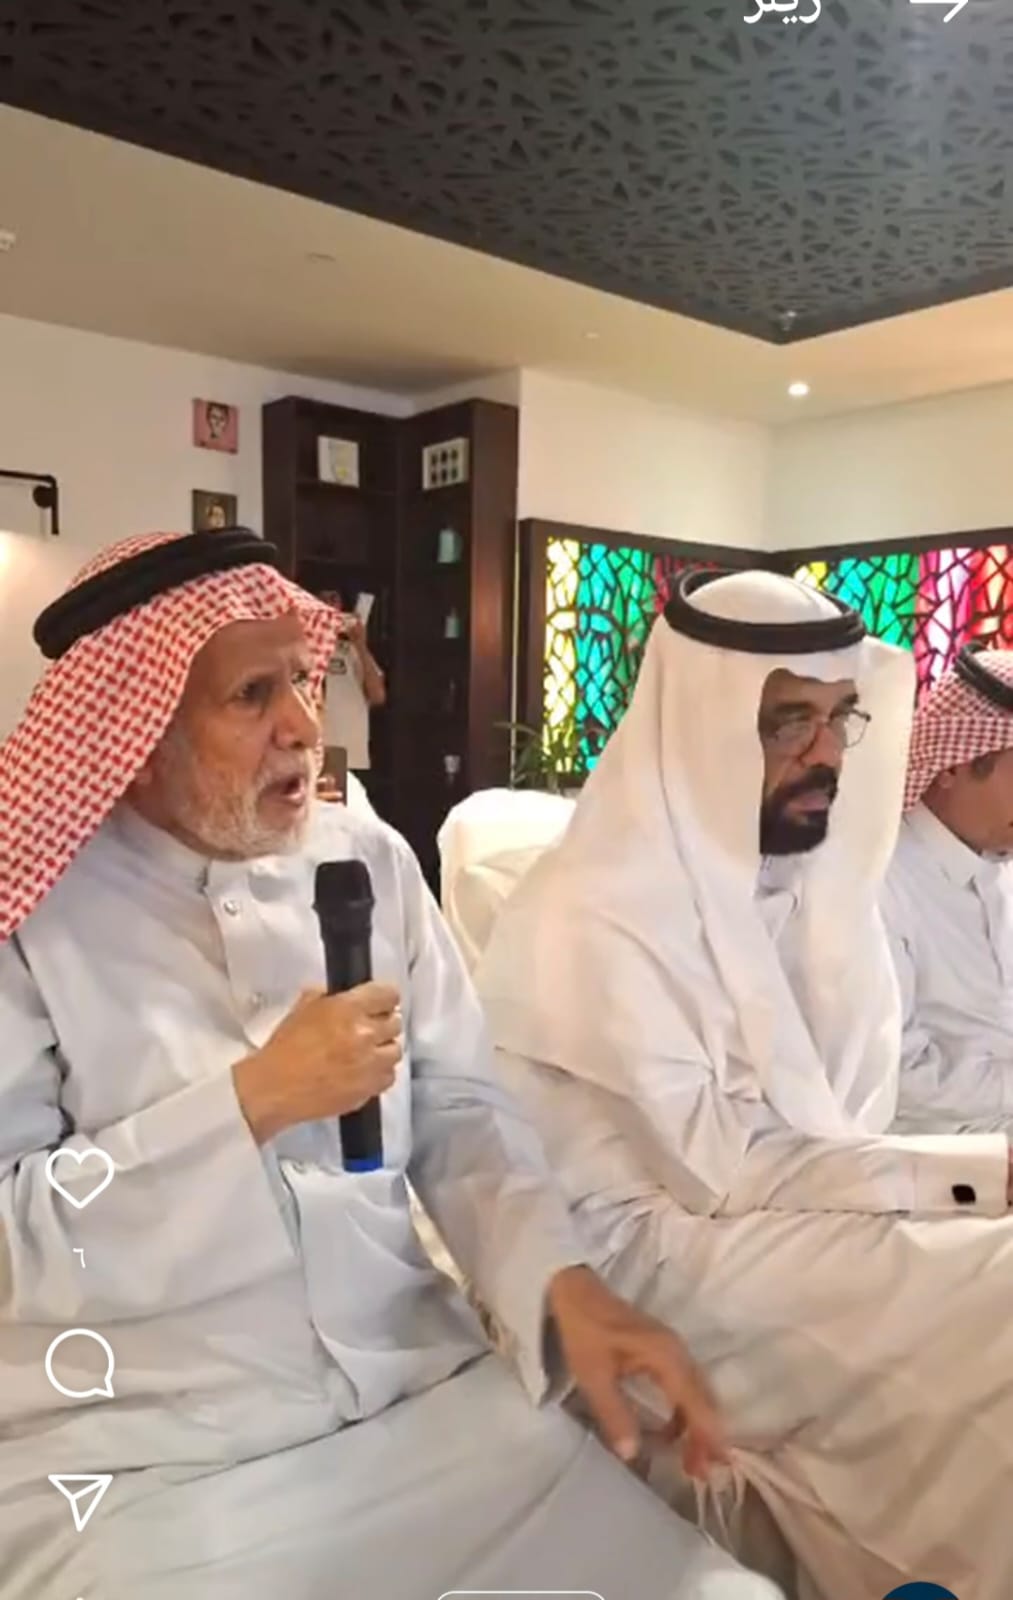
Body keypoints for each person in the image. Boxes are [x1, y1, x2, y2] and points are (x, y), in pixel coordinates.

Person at [0, 530, 779, 1600]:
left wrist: (560, 1282)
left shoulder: (366, 859)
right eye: (252, 695)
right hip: (150, 1454)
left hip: (422, 1394)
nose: (302, 725)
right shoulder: (31, 917)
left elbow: (459, 1109)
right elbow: (15, 1242)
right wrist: (252, 1103)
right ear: (128, 735)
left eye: (304, 679)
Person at [467, 568, 1013, 1600]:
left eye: (838, 718)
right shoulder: (600, 907)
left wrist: (970, 1182)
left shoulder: (803, 881)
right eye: (786, 723)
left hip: (772, 1204)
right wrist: (978, 1176)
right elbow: (725, 1169)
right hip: (637, 1255)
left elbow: (831, 1120)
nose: (824, 754)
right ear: (705, 727)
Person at [883, 642, 1013, 1133]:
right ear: (953, 766)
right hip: (932, 1157)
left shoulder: (1002, 865)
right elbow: (899, 1076)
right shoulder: (880, 882)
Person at [319, 589, 386, 776]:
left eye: (334, 599)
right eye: (323, 599)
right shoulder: (304, 648)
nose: (329, 605)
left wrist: (360, 644)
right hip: (318, 751)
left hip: (352, 753)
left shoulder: (351, 650)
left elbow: (378, 695)